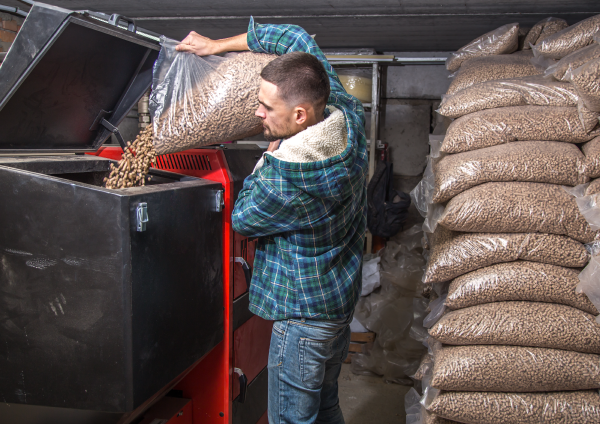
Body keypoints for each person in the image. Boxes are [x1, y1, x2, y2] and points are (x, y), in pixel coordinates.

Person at [177, 18, 368, 424]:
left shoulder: (289, 177)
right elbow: (294, 37)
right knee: (326, 406)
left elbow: (244, 217)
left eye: (266, 107)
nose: (256, 112)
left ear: (300, 115)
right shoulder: (348, 116)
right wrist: (216, 46)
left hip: (303, 321)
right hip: (336, 302)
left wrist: (268, 157)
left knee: (289, 419)